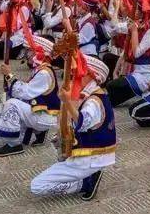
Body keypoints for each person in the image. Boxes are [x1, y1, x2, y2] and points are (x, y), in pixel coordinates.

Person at [29, 54, 114, 201]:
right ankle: (83, 173)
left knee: (37, 186)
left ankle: (85, 182)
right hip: (90, 153)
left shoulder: (93, 101)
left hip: (90, 158)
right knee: (59, 144)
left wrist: (67, 102)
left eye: (80, 73)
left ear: (93, 76)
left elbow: (82, 121)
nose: (75, 76)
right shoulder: (91, 94)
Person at [0, 36, 59, 157]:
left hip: (44, 116)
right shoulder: (40, 69)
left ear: (40, 52)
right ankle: (39, 131)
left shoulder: (44, 73)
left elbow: (25, 92)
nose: (27, 54)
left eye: (30, 51)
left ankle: (14, 144)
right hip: (41, 112)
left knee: (12, 104)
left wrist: (9, 75)